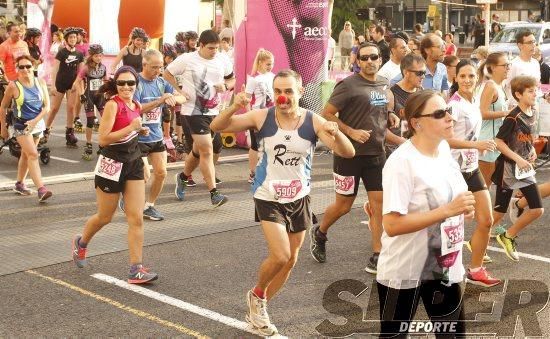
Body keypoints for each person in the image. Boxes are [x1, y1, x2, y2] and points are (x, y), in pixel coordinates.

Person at [210, 69, 355, 336]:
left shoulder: (313, 121)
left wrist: (336, 132)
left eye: (288, 91)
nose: (283, 97)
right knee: (281, 255)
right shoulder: (262, 116)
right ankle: (256, 294)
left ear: (300, 92)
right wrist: (234, 106)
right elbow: (217, 127)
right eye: (278, 91)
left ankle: (260, 304)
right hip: (268, 196)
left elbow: (348, 152)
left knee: (291, 261)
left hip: (299, 197)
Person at [377, 89, 472, 337]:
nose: (449, 117)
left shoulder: (443, 151)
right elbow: (392, 225)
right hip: (406, 270)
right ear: (417, 123)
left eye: (448, 111)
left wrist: (462, 210)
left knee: (452, 335)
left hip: (443, 267)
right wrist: (447, 210)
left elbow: (454, 201)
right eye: (440, 113)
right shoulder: (401, 163)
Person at [310, 42, 399, 273]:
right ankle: (320, 232)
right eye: (365, 58)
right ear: (358, 62)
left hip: (376, 155)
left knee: (379, 205)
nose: (370, 61)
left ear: (380, 59)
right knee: (344, 205)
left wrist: (390, 116)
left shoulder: (383, 83)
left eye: (374, 57)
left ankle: (377, 254)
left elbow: (377, 109)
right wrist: (350, 132)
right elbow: (327, 113)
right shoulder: (348, 85)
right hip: (348, 155)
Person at [71, 66, 159, 284]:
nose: (126, 87)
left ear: (136, 84)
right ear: (116, 85)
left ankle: (135, 269)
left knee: (136, 217)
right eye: (122, 83)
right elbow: (103, 139)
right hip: (111, 163)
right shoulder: (112, 105)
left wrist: (140, 132)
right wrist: (131, 127)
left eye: (130, 83)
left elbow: (132, 131)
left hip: (133, 163)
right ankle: (81, 243)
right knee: (105, 216)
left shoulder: (136, 104)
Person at [163, 29, 234, 206]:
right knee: (207, 149)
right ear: (200, 45)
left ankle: (183, 176)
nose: (214, 51)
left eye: (216, 48)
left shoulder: (222, 59)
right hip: (193, 111)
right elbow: (167, 73)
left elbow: (232, 79)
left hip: (214, 111)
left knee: (204, 150)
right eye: (211, 48)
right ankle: (214, 193)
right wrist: (179, 91)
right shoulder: (187, 59)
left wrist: (225, 86)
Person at [447, 60, 501, 287]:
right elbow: (446, 140)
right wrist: (477, 145)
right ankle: (441, 271)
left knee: (486, 220)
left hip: (471, 168)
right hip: (452, 171)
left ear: (476, 78)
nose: (467, 80)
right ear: (456, 79)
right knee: (449, 224)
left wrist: (478, 147)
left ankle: (476, 269)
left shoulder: (474, 101)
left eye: (471, 76)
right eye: (463, 77)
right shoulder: (453, 105)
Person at [126, 49, 185, 221]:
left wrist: (172, 98)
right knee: (144, 175)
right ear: (144, 65)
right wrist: (160, 101)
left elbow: (182, 97)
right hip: (138, 137)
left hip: (156, 137)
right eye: (154, 67)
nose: (158, 71)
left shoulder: (161, 82)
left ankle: (149, 206)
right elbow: (136, 109)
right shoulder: (135, 83)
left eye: (160, 67)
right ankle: (128, 196)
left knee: (161, 173)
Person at [492, 76, 544, 261]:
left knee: (537, 209)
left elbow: (526, 138)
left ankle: (508, 235)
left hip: (523, 170)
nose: (535, 93)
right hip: (507, 170)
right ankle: (475, 243)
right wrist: (517, 159)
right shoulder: (512, 117)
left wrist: (532, 152)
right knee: (498, 213)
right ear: (518, 94)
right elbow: (498, 142)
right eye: (530, 91)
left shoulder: (533, 111)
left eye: (535, 90)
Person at [0, 55, 52, 202]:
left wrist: (35, 121)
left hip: (37, 124)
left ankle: (19, 184)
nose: (25, 69)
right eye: (21, 67)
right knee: (33, 155)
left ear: (33, 67)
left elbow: (47, 107)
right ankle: (41, 189)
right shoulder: (13, 86)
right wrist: (3, 128)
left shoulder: (40, 82)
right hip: (20, 124)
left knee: (26, 154)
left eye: (28, 66)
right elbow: (3, 106)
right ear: (17, 69)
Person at [43, 27, 85, 148]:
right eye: (71, 37)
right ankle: (46, 130)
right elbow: (55, 69)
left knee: (71, 108)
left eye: (75, 37)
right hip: (60, 83)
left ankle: (70, 133)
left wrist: (76, 84)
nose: (73, 39)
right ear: (66, 39)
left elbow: (80, 72)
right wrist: (53, 85)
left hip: (72, 85)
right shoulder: (61, 52)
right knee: (55, 108)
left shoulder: (79, 54)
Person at [476, 53, 509, 189]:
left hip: (497, 142)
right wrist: (506, 113)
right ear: (493, 68)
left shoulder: (500, 86)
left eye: (509, 65)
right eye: (505, 65)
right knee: (483, 188)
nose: (508, 68)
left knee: (493, 187)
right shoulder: (490, 86)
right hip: (488, 142)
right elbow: (481, 113)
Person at [385, 54, 426, 155]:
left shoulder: (421, 92)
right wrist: (401, 142)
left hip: (417, 149)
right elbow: (380, 128)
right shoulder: (390, 94)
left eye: (424, 72)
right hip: (395, 151)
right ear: (406, 72)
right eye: (419, 73)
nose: (423, 76)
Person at [74, 44, 108, 160]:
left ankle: (103, 142)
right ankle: (88, 143)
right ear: (91, 56)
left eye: (100, 55)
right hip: (89, 96)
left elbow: (105, 81)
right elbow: (77, 82)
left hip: (100, 97)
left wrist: (108, 92)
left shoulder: (103, 67)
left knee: (106, 119)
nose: (99, 58)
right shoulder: (86, 68)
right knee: (90, 121)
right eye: (96, 56)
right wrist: (81, 94)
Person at [245, 48, 275, 184]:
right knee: (255, 146)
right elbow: (246, 99)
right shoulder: (254, 80)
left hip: (272, 115)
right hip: (256, 116)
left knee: (271, 144)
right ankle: (252, 173)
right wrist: (249, 116)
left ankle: (269, 171)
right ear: (261, 63)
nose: (271, 66)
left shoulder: (274, 76)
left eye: (272, 63)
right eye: (268, 64)